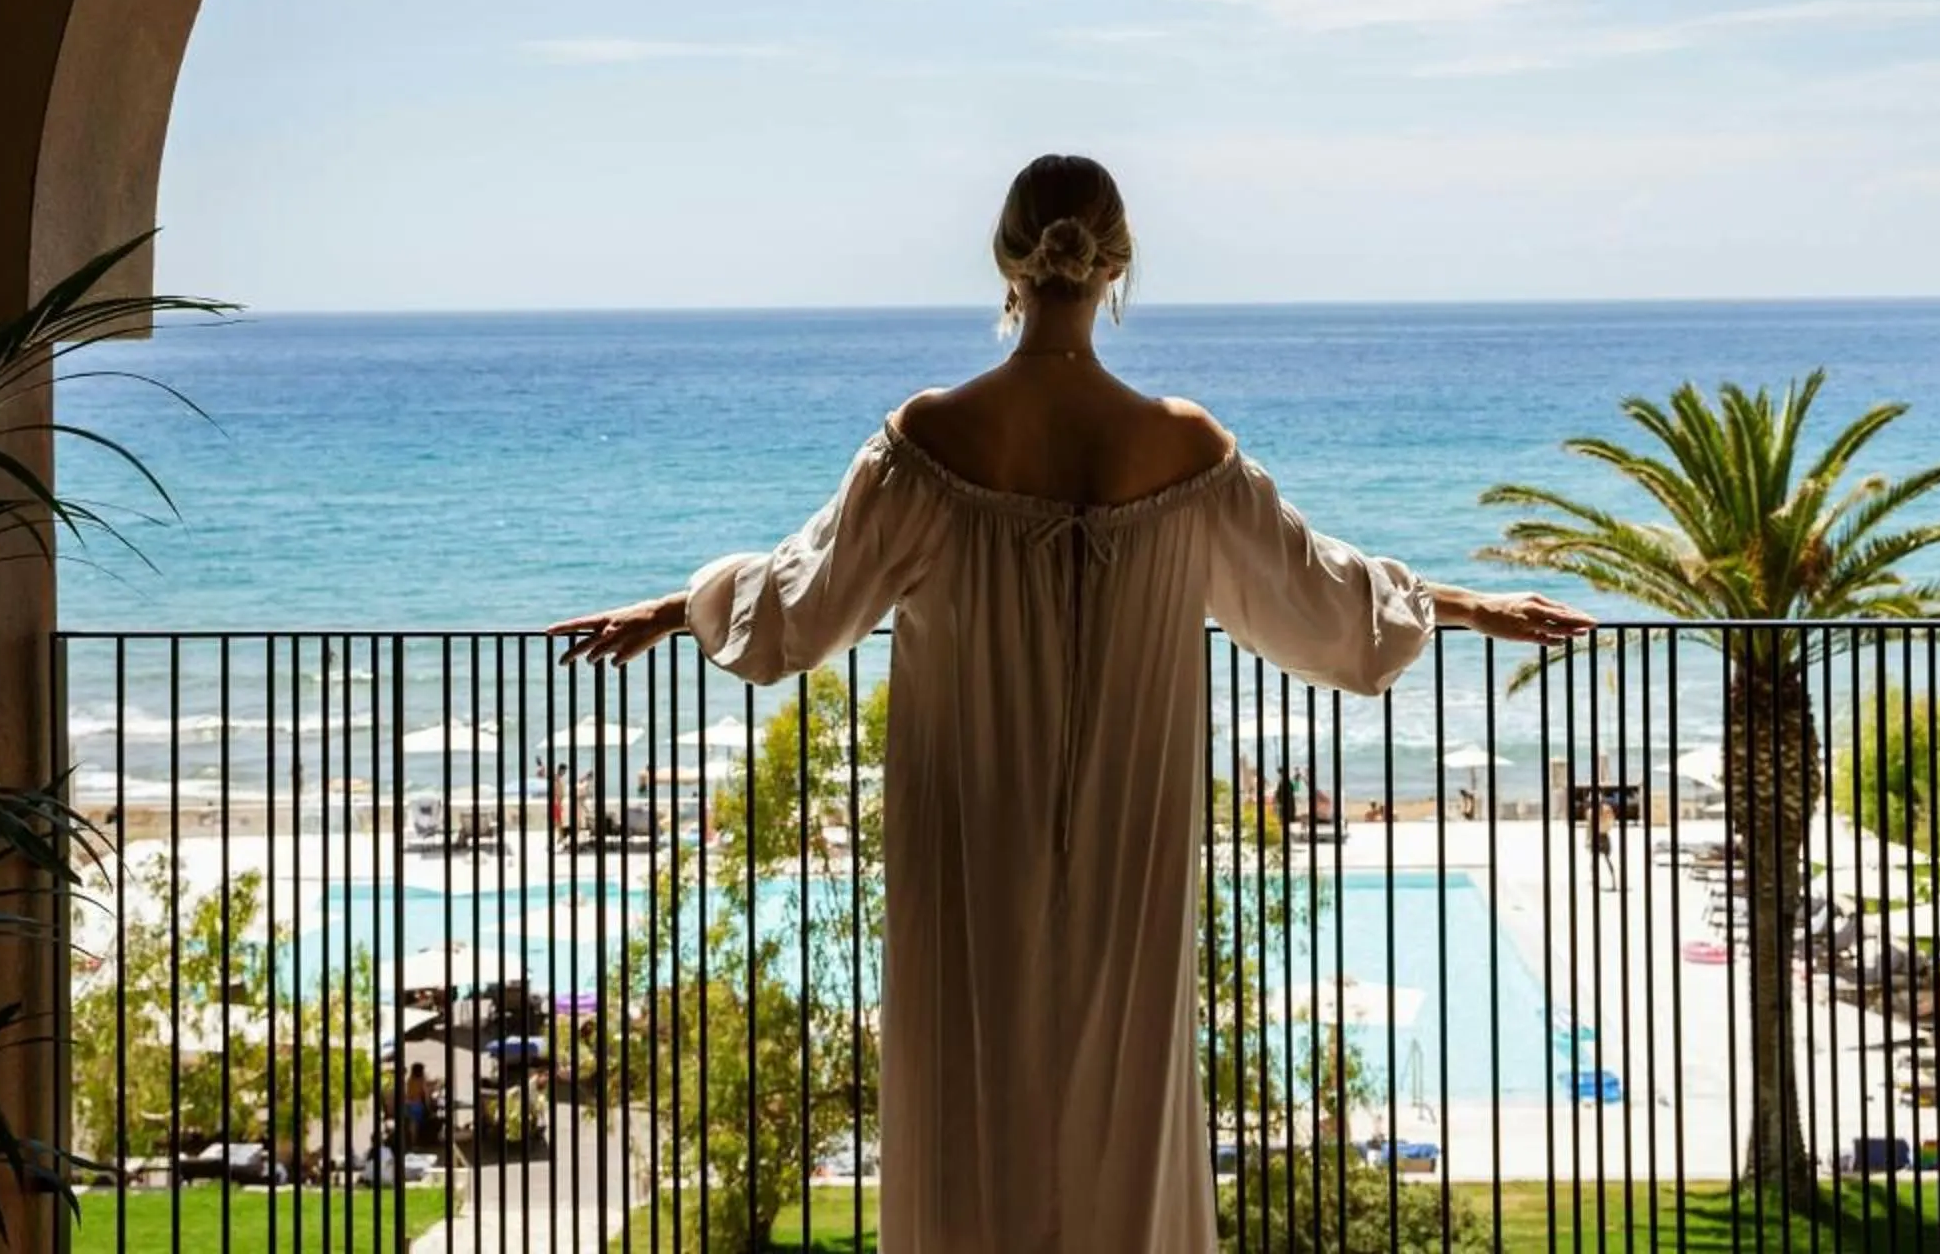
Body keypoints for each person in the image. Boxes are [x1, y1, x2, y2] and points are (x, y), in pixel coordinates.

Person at [551, 155, 1592, 1254]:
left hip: (968, 858)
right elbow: (1330, 606)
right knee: (1124, 1134)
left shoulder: (930, 440)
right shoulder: (1188, 449)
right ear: (1117, 265)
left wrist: (682, 605)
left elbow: (793, 612)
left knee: (969, 1112)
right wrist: (1465, 603)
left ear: (1007, 262)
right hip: (1128, 864)